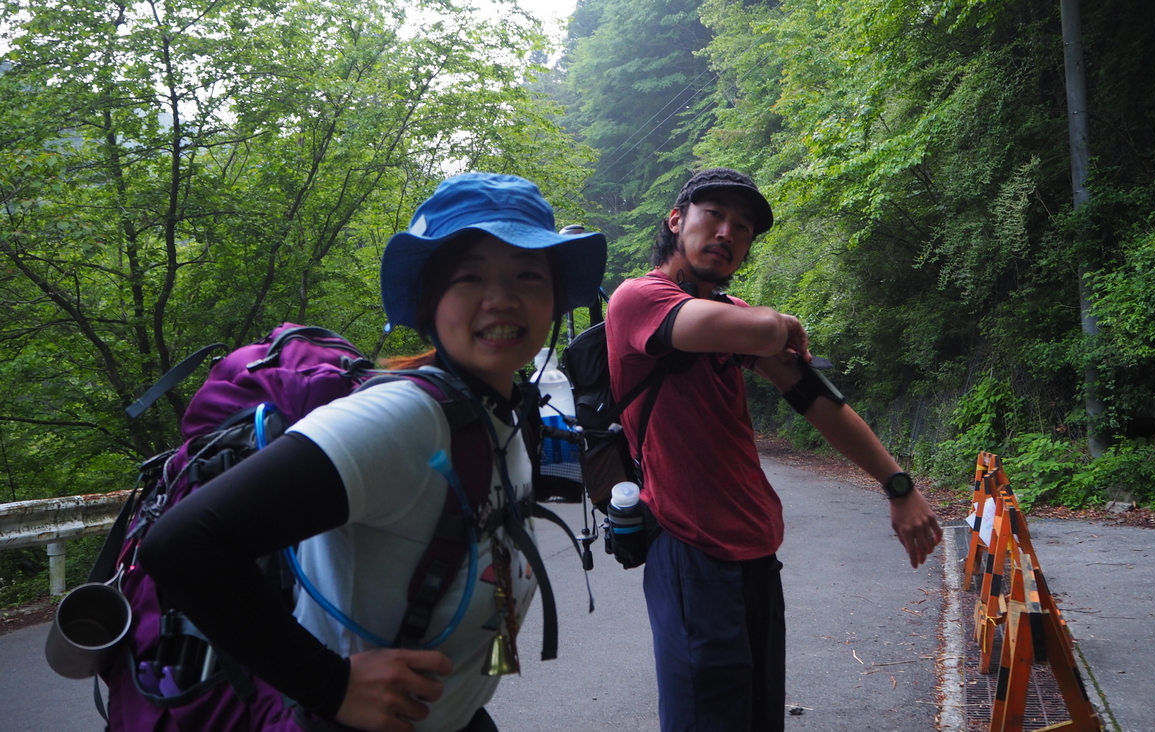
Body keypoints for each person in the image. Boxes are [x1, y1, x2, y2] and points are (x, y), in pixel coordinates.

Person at [139, 173, 606, 732]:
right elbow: (181, 544)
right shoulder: (405, 418)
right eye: (470, 276)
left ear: (554, 297)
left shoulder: (503, 413)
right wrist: (330, 686)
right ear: (430, 302)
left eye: (529, 275)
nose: (503, 298)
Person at [605, 167, 943, 732]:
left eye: (743, 227)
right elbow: (764, 333)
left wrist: (898, 485)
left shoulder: (732, 317)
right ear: (676, 221)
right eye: (714, 215)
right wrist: (780, 322)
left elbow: (817, 400)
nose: (727, 233)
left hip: (756, 552)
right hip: (690, 549)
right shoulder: (640, 298)